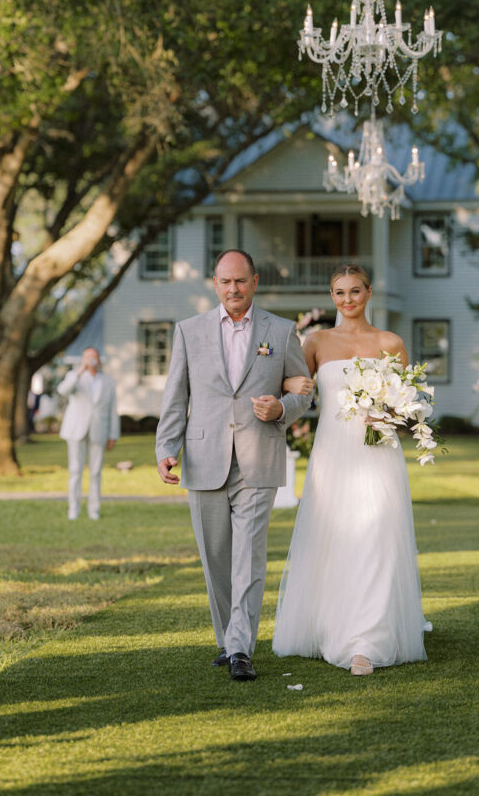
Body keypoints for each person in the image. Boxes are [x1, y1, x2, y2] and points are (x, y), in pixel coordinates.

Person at [155, 249, 312, 682]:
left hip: (258, 458)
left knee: (248, 556)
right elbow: (176, 396)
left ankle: (241, 646)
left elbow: (303, 392)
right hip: (204, 456)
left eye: (240, 281)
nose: (233, 289)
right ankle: (228, 640)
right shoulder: (189, 331)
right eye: (225, 282)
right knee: (216, 557)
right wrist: (166, 447)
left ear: (255, 282)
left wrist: (281, 408)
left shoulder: (281, 332)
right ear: (215, 284)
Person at [273, 263, 430, 676]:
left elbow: (408, 403)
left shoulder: (390, 342)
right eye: (340, 293)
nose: (348, 300)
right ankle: (332, 625)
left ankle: (366, 640)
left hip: (378, 453)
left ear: (369, 292)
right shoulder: (316, 341)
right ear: (332, 297)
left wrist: (389, 415)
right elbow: (295, 389)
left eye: (355, 291)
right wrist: (283, 388)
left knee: (377, 539)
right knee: (335, 538)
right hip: (333, 455)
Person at [58, 347, 120, 521]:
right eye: (88, 357)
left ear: (99, 360)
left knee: (95, 472)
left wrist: (113, 435)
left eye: (94, 357)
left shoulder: (108, 381)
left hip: (99, 430)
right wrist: (80, 370)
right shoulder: (74, 377)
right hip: (75, 430)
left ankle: (94, 510)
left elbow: (113, 410)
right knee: (75, 470)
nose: (92, 360)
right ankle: (73, 509)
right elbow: (63, 391)